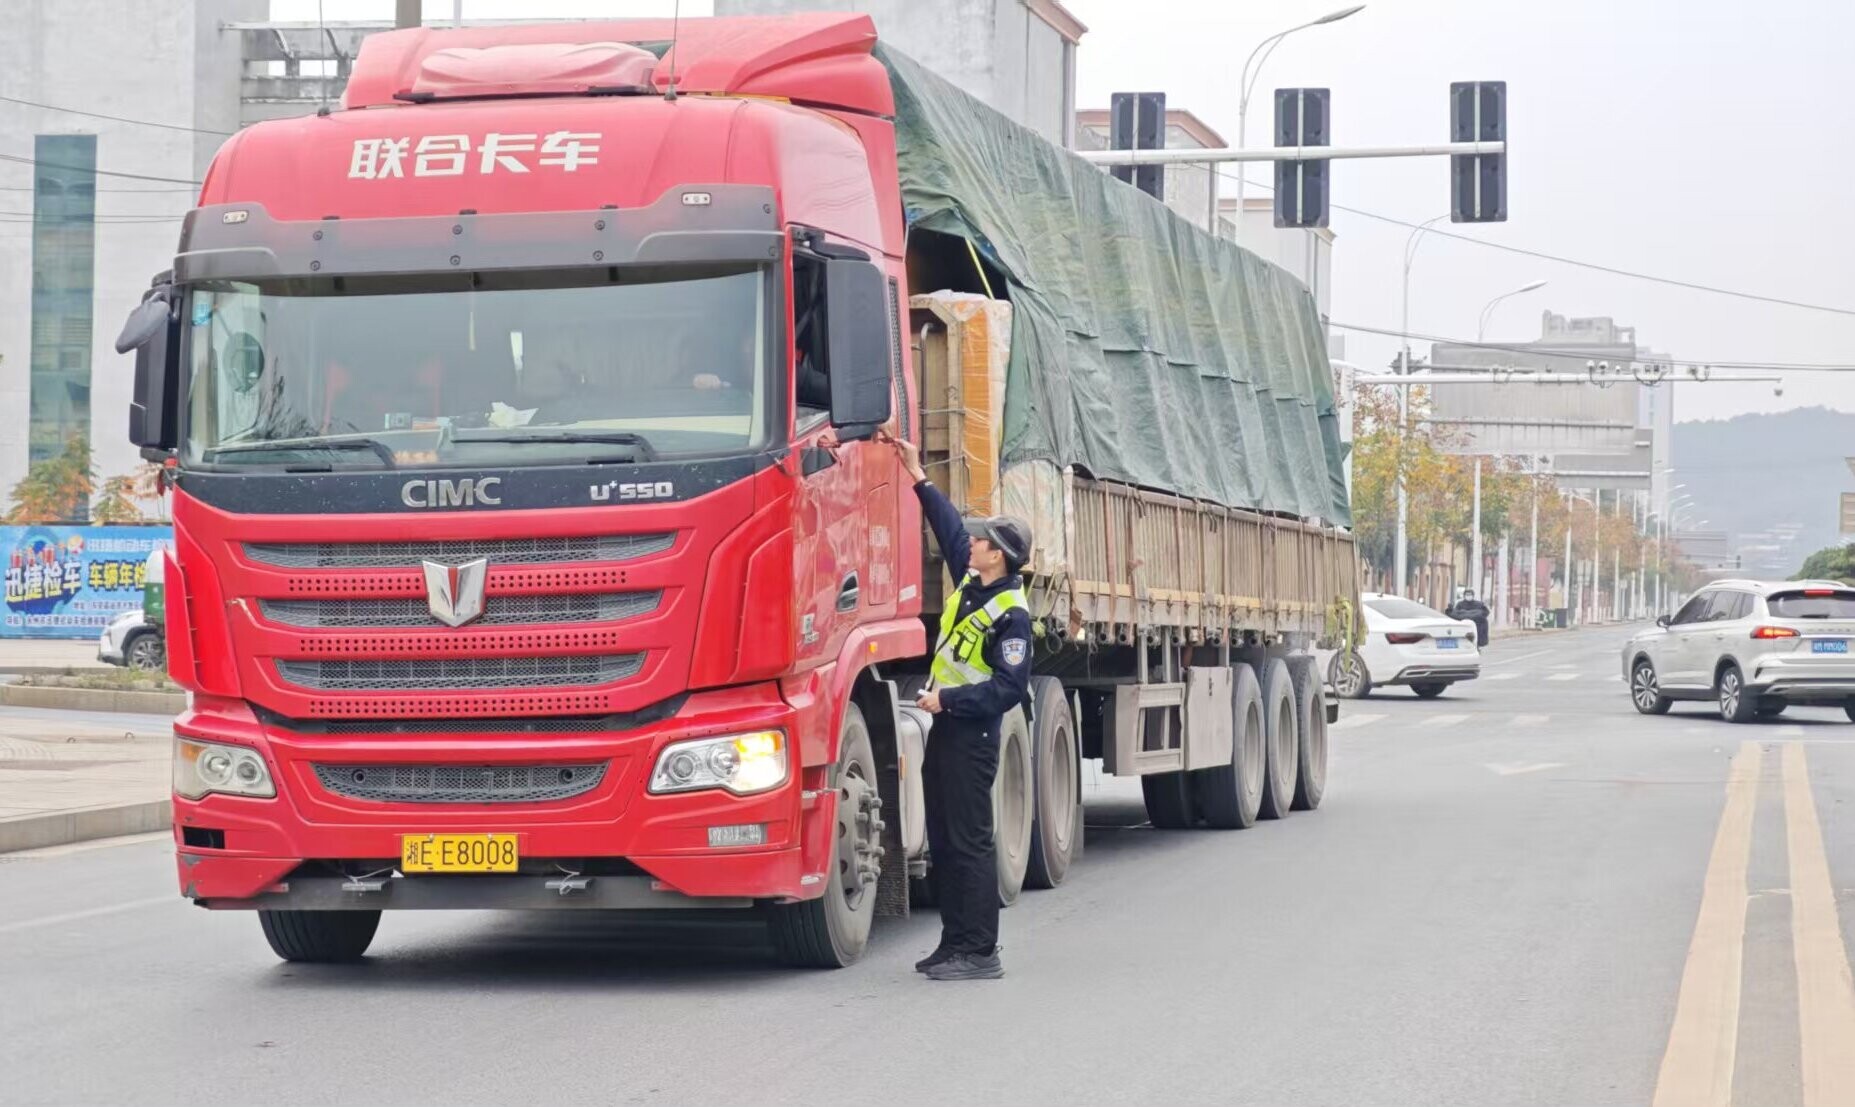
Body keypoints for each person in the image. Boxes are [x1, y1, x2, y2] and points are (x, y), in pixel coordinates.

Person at [891, 435, 1033, 982]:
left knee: (970, 841)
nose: (969, 544)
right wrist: (917, 475)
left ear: (999, 554)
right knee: (946, 840)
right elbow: (948, 527)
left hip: (974, 736)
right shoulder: (974, 583)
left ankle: (981, 951)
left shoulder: (1011, 614)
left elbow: (1007, 689)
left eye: (980, 541)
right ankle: (954, 943)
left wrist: (947, 699)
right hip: (947, 730)